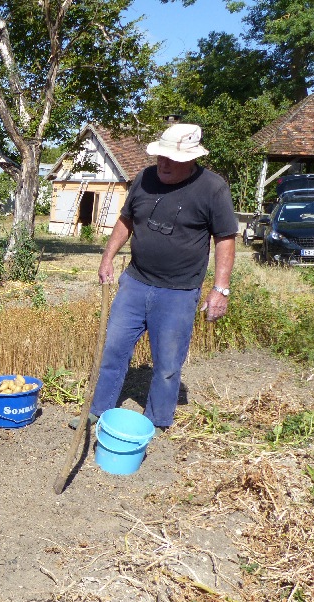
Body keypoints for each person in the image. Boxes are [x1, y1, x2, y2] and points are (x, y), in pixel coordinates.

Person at [71, 123, 237, 434]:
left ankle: (155, 421)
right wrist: (107, 258)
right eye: (160, 156)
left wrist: (220, 289)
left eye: (171, 159)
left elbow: (226, 238)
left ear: (191, 159)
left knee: (167, 365)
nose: (163, 163)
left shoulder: (213, 188)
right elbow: (126, 219)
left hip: (178, 291)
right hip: (135, 283)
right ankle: (98, 410)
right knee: (113, 351)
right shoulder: (145, 179)